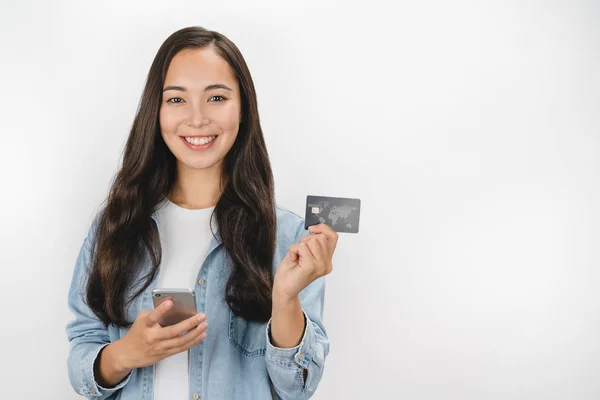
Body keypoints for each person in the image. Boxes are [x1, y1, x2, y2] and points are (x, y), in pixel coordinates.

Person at [65, 26, 336, 400]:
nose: (196, 118)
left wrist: (285, 298)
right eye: (176, 100)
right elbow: (83, 350)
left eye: (217, 98)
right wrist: (126, 353)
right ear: (156, 112)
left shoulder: (288, 237)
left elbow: (298, 387)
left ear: (242, 109)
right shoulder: (115, 226)